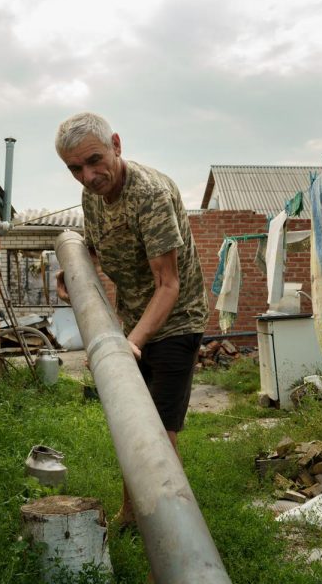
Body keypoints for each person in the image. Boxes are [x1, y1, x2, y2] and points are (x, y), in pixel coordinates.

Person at [54, 112, 209, 527]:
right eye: (75, 168)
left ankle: (174, 532)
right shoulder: (92, 194)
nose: (87, 176)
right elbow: (99, 246)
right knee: (130, 420)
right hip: (135, 320)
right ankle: (132, 513)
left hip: (175, 319)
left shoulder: (150, 195)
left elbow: (169, 284)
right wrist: (76, 269)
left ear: (117, 145)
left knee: (157, 432)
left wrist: (130, 343)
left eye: (93, 160)